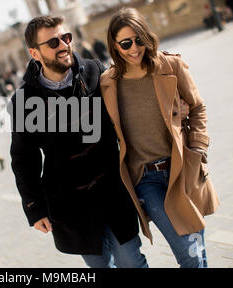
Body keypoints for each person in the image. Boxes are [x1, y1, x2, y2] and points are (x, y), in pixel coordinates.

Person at [8, 15, 149, 268]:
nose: (63, 45)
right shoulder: (24, 101)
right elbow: (23, 159)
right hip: (71, 205)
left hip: (113, 192)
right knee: (100, 266)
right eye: (53, 42)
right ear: (34, 52)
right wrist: (34, 207)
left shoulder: (95, 71)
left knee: (132, 261)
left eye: (66, 37)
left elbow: (125, 110)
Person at [100, 7, 220, 268]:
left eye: (139, 39)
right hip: (146, 179)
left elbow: (197, 106)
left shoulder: (171, 65)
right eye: (125, 42)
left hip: (182, 168)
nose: (134, 48)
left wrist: (198, 149)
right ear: (114, 45)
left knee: (195, 250)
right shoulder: (108, 83)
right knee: (189, 250)